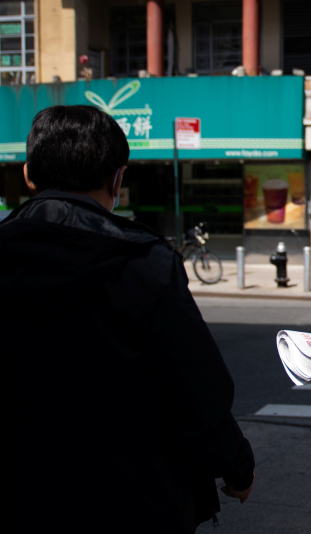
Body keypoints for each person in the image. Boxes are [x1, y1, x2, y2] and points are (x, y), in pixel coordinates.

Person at [0, 105, 255, 533]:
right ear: (118, 178)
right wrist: (236, 465)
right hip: (132, 501)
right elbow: (196, 388)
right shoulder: (145, 263)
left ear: (29, 174)